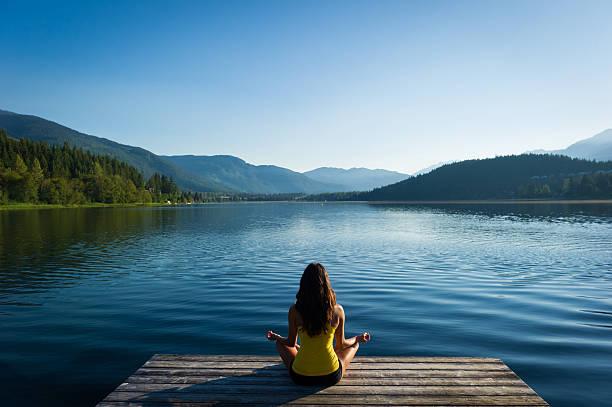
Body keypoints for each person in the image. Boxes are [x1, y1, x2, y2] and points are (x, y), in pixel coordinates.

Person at [266, 262, 370, 386]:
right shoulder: (337, 310)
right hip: (331, 376)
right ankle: (344, 347)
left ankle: (305, 353)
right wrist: (357, 338)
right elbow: (341, 344)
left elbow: (290, 343)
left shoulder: (295, 310)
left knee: (280, 344)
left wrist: (276, 337)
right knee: (354, 345)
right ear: (326, 284)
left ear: (303, 284)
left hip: (300, 376)